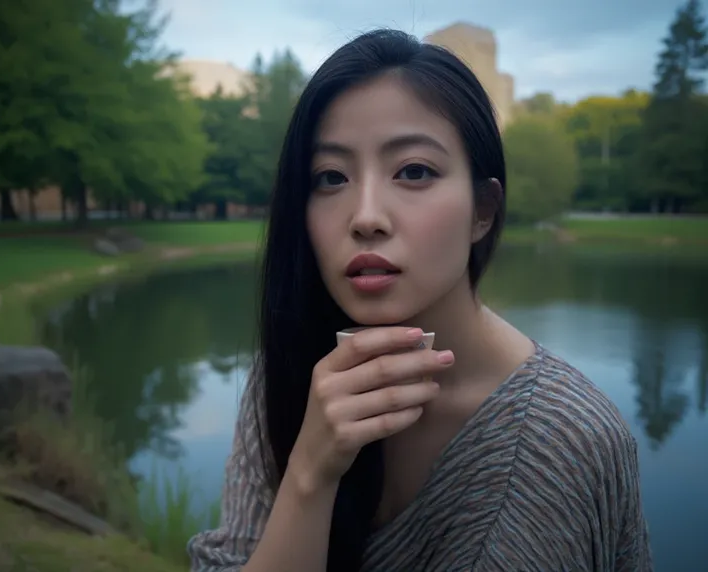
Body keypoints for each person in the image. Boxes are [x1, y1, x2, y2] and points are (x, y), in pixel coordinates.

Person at [188, 29, 652, 572]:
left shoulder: (568, 438)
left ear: (483, 209)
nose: (365, 217)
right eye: (330, 177)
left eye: (413, 172)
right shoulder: (290, 376)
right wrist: (310, 473)